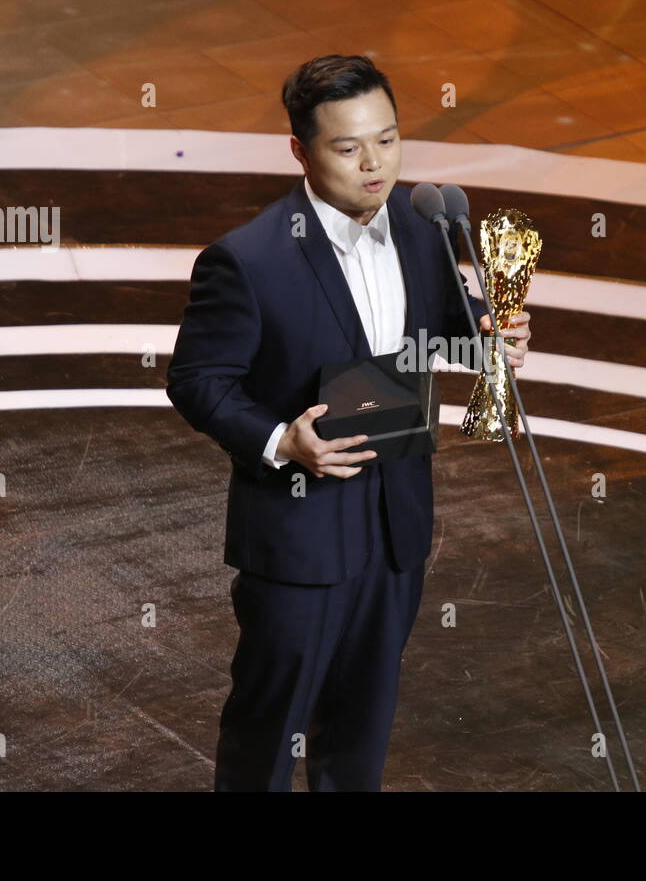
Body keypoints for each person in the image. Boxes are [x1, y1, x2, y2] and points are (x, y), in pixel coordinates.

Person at [166, 54, 532, 791]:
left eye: (389, 140)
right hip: (299, 539)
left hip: (396, 528)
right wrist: (279, 441)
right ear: (300, 150)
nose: (375, 165)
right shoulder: (248, 260)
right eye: (348, 147)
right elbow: (198, 380)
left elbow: (428, 336)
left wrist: (488, 341)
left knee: (361, 732)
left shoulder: (423, 226)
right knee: (268, 735)